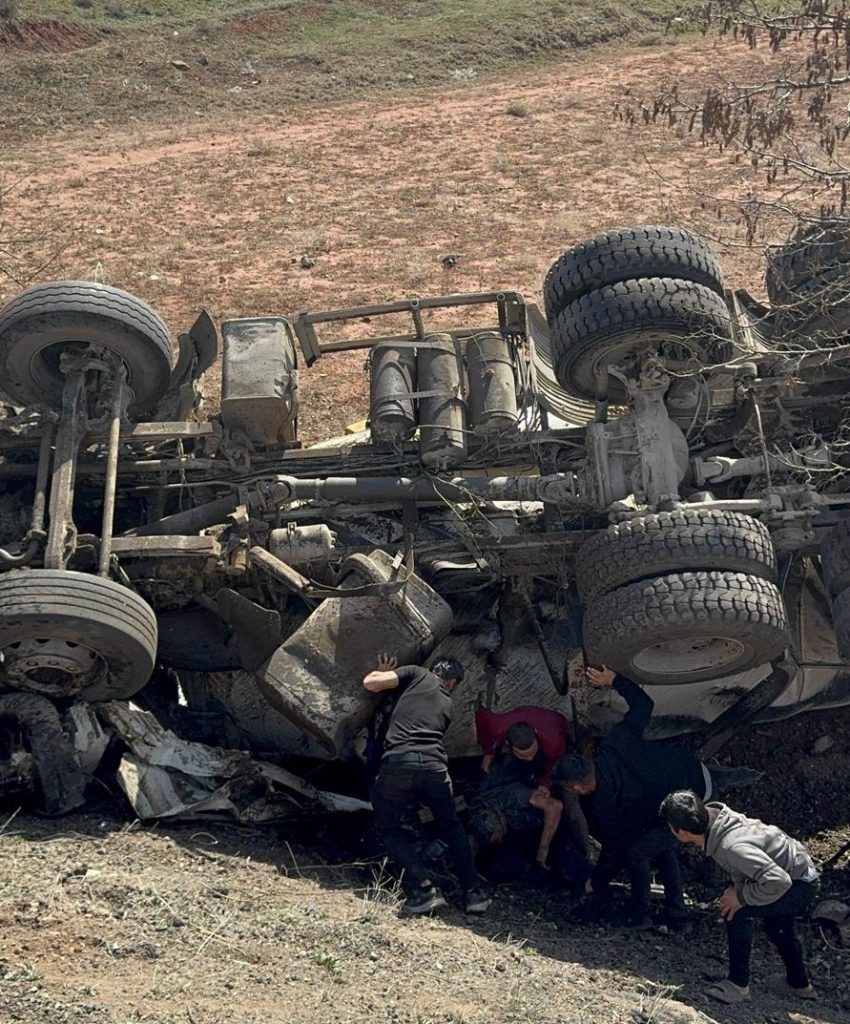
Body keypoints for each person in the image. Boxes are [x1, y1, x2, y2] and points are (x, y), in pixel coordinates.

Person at [553, 665, 718, 929]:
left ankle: (640, 913)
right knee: (661, 846)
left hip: (691, 798)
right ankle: (677, 913)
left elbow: (613, 850)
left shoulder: (608, 804)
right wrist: (615, 679)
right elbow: (643, 705)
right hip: (690, 769)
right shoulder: (615, 742)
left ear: (577, 789)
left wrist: (594, 882)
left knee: (637, 853)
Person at [660, 790, 819, 1005]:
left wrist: (742, 896)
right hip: (797, 870)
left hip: (796, 883)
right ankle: (799, 985)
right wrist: (741, 889)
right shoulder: (718, 818)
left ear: (681, 832)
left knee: (735, 911)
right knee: (778, 925)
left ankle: (738, 985)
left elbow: (779, 882)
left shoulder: (731, 846)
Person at [364, 652, 490, 916]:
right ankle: (474, 893)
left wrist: (382, 672)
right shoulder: (447, 705)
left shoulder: (418, 673)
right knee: (453, 829)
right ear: (453, 683)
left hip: (400, 764)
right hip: (435, 769)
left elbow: (371, 683)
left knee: (388, 828)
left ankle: (424, 888)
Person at [474, 704, 592, 856]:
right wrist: (487, 752)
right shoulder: (498, 727)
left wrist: (544, 784)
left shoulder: (553, 741)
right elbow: (480, 716)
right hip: (520, 722)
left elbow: (554, 762)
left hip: (556, 736)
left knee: (571, 805)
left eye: (532, 752)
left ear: (536, 736)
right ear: (509, 744)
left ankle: (586, 851)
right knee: (510, 772)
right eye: (524, 755)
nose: (529, 757)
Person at [467, 770, 591, 892]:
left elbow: (554, 806)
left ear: (499, 818)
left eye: (497, 835)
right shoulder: (478, 816)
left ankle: (591, 886)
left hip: (547, 831)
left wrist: (543, 850)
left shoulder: (513, 796)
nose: (499, 839)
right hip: (522, 839)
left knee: (569, 859)